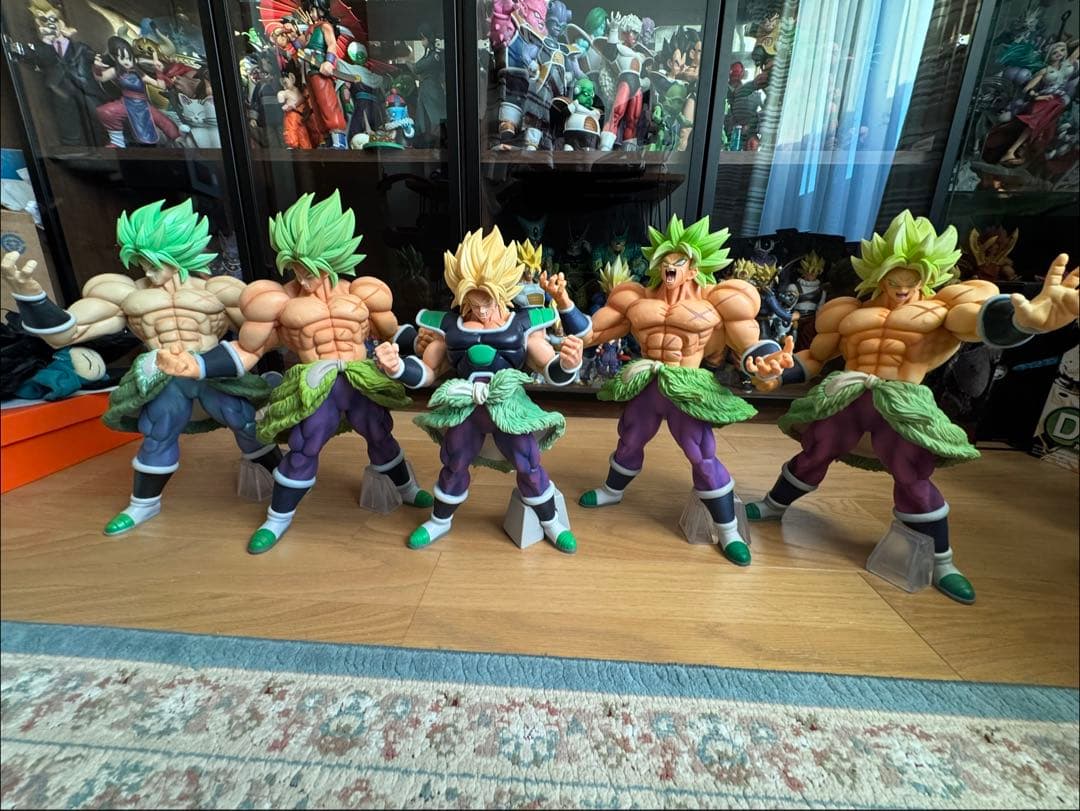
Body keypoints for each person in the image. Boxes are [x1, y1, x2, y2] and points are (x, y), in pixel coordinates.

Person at [747, 211, 1079, 604]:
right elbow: (814, 358)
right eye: (893, 279)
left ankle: (942, 560)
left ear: (928, 275)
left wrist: (1027, 321)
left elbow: (979, 321)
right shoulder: (848, 311)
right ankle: (773, 505)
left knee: (911, 474)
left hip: (901, 400)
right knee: (815, 452)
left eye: (911, 279)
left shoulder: (942, 308)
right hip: (847, 394)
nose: (902, 288)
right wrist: (773, 374)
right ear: (878, 274)